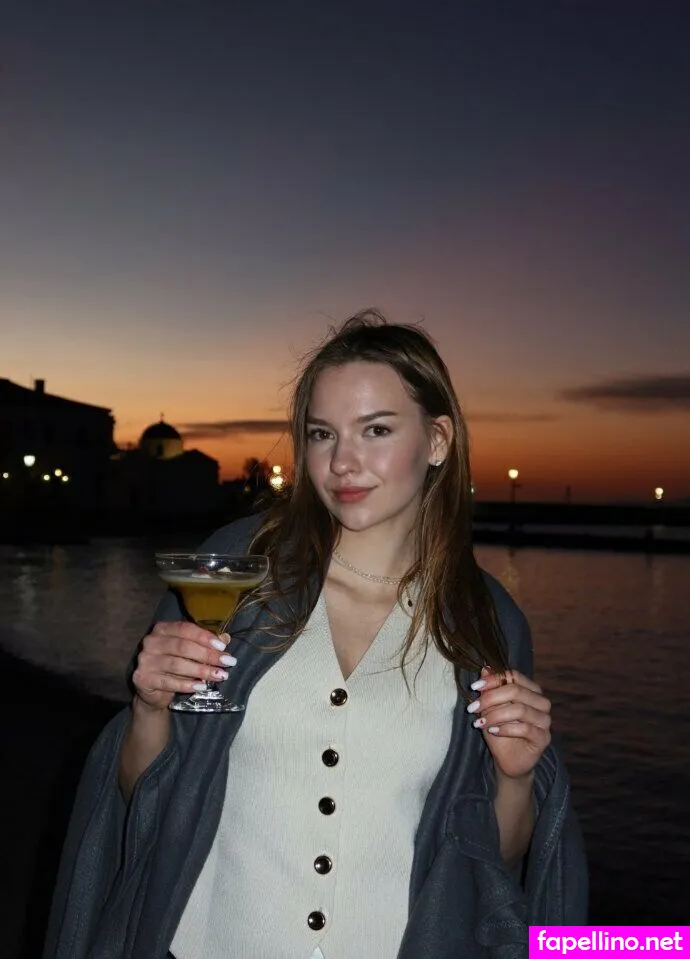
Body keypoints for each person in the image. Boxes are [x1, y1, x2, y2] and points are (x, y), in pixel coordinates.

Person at [44, 310, 587, 959]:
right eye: (322, 433)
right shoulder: (238, 571)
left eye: (376, 429)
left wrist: (516, 775)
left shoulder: (486, 619)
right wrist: (149, 706)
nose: (343, 462)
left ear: (438, 439)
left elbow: (494, 854)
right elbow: (144, 792)